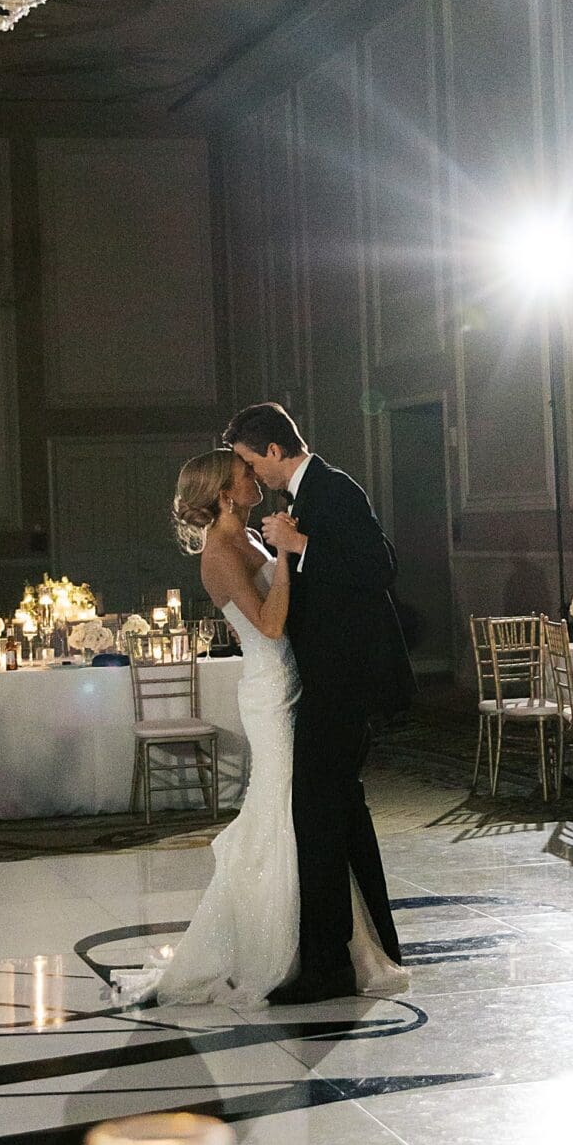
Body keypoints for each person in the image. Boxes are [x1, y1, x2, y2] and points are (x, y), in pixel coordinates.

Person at [109, 447, 404, 1010]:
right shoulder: (220, 552)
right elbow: (270, 625)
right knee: (278, 807)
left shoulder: (248, 539)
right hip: (270, 691)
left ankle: (317, 942)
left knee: (300, 809)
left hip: (294, 680)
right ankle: (277, 948)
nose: (254, 479)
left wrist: (283, 550)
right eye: (244, 474)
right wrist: (289, 555)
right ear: (224, 493)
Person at [222, 401, 413, 1005]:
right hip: (326, 680)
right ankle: (373, 945)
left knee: (318, 816)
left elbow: (379, 566)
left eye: (253, 461)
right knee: (342, 813)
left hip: (346, 681)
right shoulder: (302, 497)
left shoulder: (334, 489)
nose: (253, 474)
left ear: (274, 452)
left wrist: (301, 542)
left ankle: (328, 966)